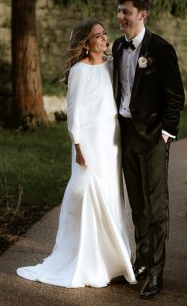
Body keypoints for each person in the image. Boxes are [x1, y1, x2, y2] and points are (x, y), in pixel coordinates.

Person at [16, 18, 136, 288]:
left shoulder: (111, 65)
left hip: (111, 138)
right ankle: (88, 259)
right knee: (88, 193)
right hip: (90, 141)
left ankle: (113, 260)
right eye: (98, 36)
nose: (105, 39)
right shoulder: (79, 71)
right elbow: (75, 111)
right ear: (86, 43)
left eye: (105, 34)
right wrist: (78, 145)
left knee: (111, 193)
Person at [112, 0, 185, 299]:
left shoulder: (161, 49)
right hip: (125, 134)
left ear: (143, 14)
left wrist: (166, 133)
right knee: (138, 204)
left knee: (156, 207)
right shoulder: (117, 46)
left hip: (153, 138)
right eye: (118, 11)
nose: (120, 17)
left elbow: (175, 95)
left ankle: (156, 272)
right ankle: (141, 261)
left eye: (125, 12)